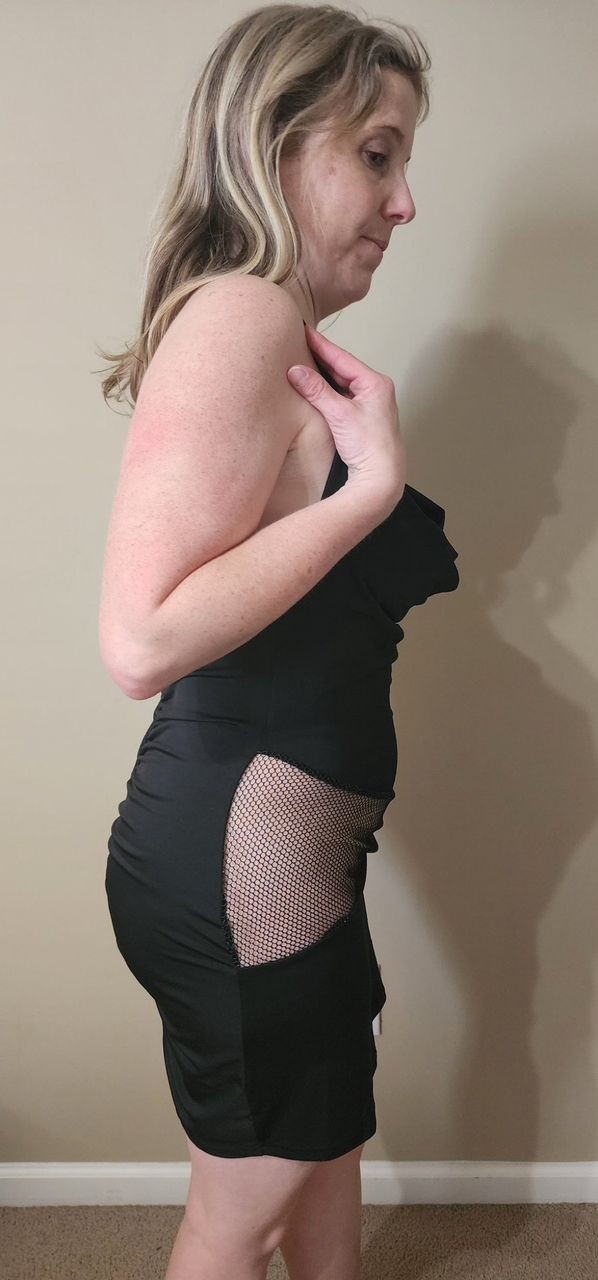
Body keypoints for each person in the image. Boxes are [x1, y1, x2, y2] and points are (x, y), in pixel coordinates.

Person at [96, 5, 459, 1278]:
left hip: (287, 864)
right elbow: (141, 636)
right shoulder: (244, 312)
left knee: (325, 1153)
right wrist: (370, 496)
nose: (402, 201)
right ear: (277, 139)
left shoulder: (275, 331)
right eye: (376, 154)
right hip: (239, 862)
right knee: (238, 1218)